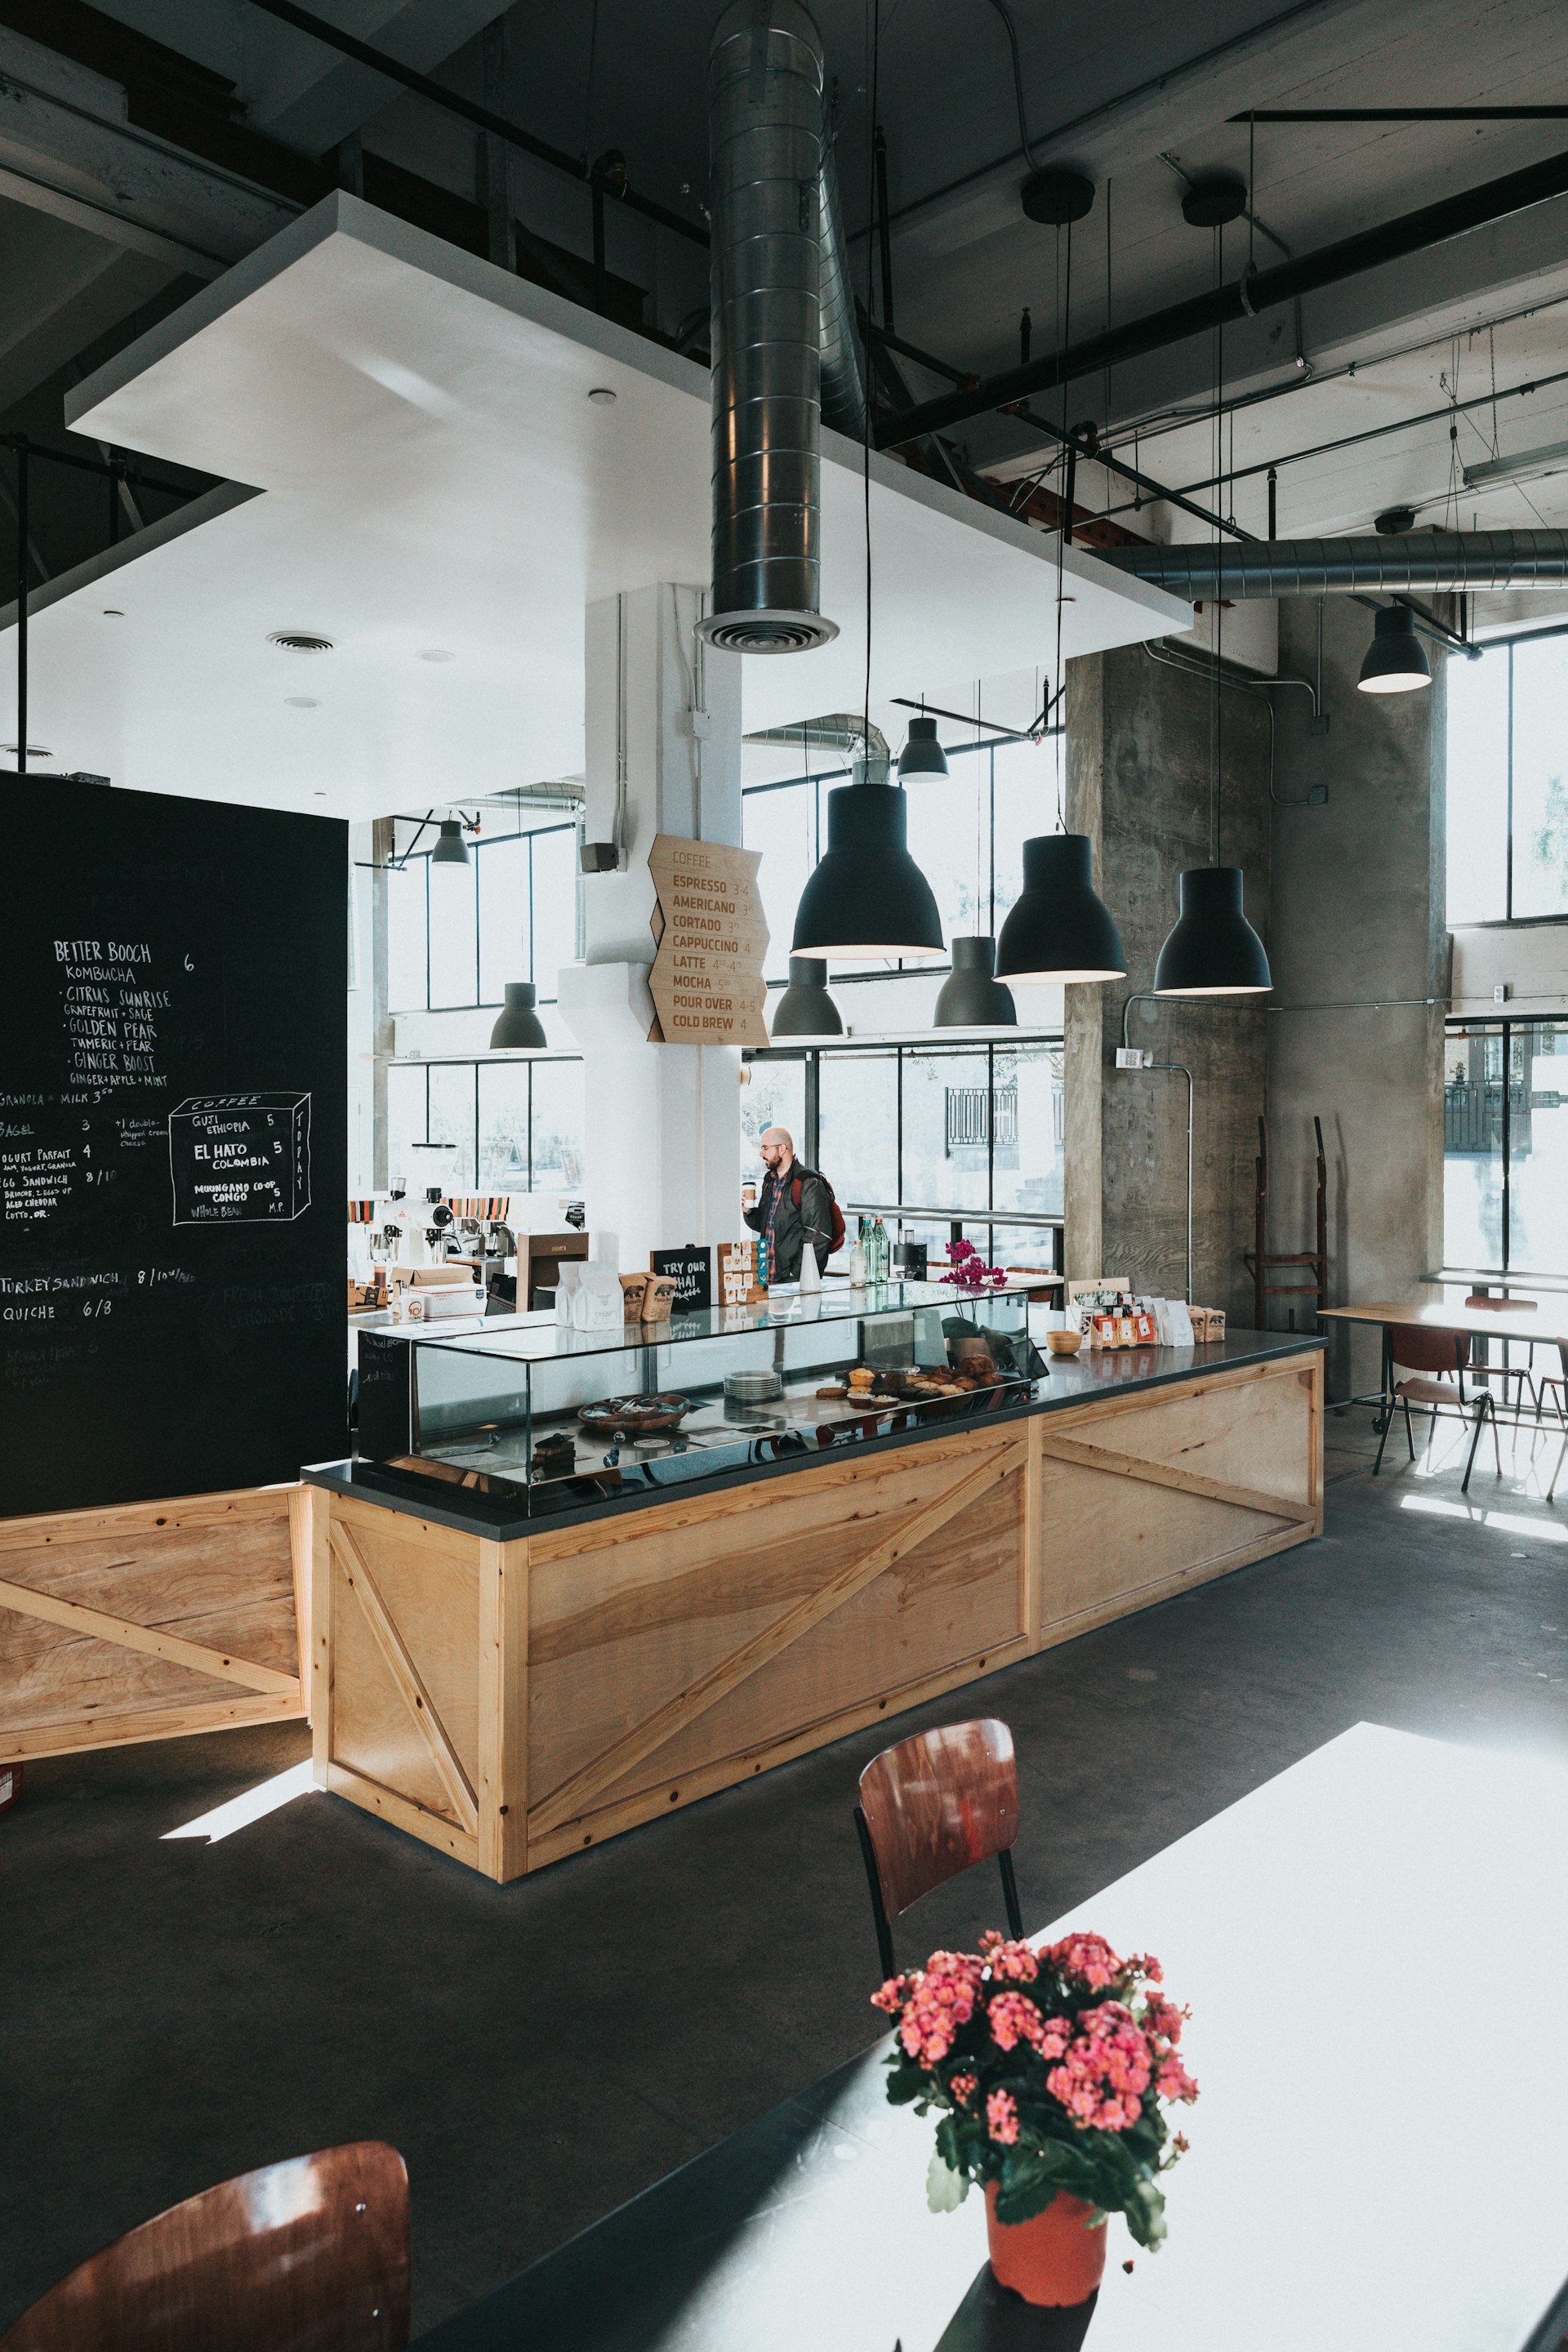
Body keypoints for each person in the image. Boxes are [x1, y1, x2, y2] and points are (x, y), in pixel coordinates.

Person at [743, 1127, 832, 1283]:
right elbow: (766, 1226)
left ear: (782, 1149)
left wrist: (795, 1274)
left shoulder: (809, 1183)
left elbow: (819, 1235)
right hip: (768, 1279)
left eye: (765, 1148)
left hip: (793, 1283)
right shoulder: (769, 1181)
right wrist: (749, 1212)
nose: (761, 1153)